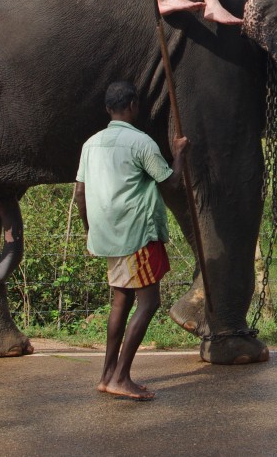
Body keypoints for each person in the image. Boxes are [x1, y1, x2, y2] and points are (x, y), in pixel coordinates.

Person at [74, 80, 189, 400]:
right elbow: (173, 185)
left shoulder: (90, 144)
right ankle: (120, 376)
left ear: (109, 109)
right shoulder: (142, 143)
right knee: (149, 302)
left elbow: (81, 193)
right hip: (136, 235)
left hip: (108, 235)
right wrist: (179, 154)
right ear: (134, 105)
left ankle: (108, 375)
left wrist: (91, 229)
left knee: (121, 301)